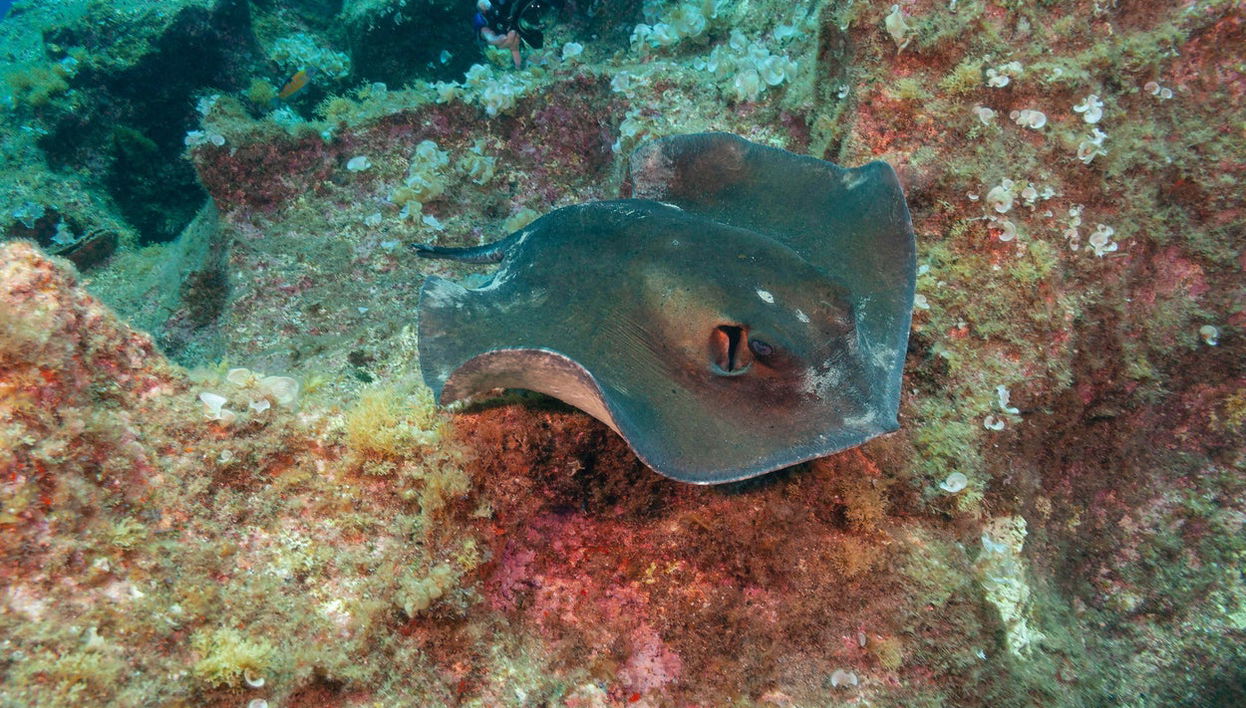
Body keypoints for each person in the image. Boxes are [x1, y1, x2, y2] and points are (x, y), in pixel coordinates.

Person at [472, 0, 561, 68]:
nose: (541, 24)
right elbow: (482, 21)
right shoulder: (496, 11)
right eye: (532, 17)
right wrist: (488, 36)